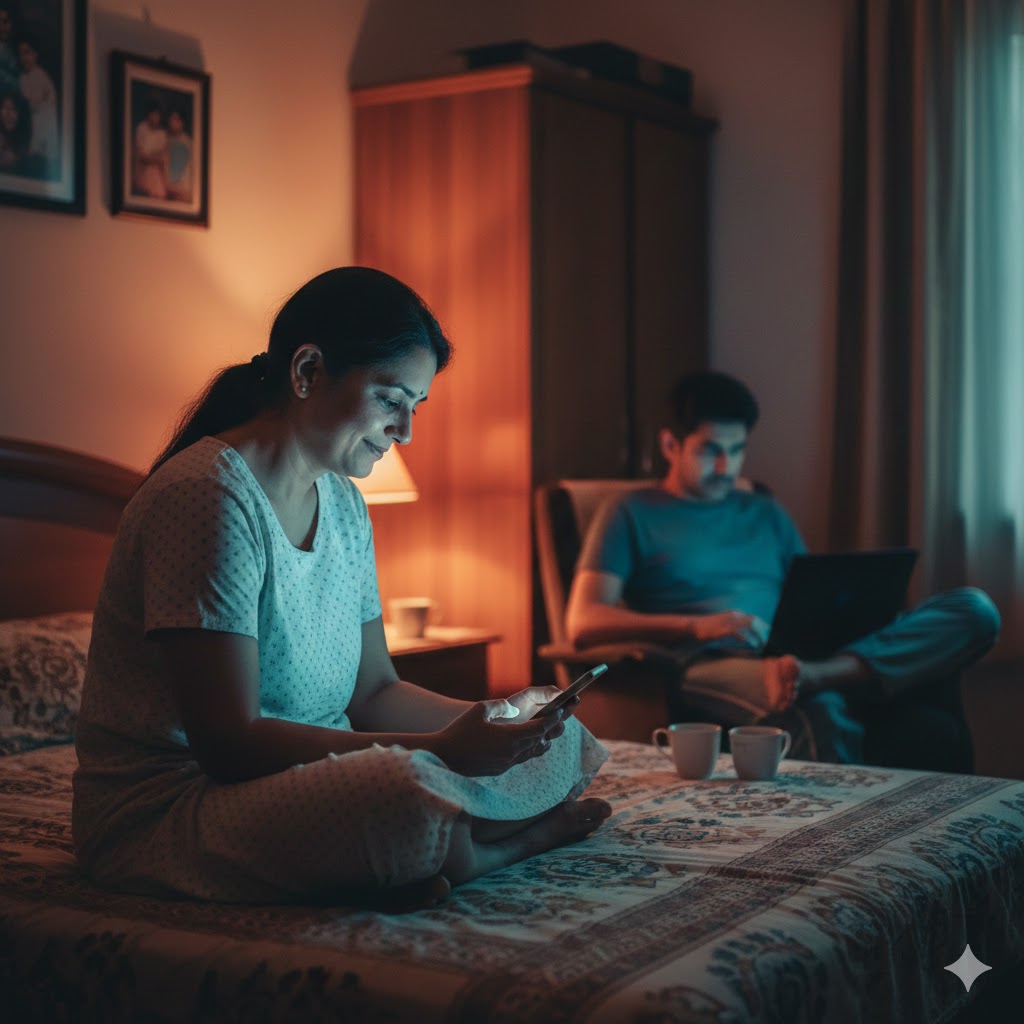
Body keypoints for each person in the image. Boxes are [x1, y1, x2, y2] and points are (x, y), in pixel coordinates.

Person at [72, 267, 610, 910]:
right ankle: (495, 848)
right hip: (179, 804)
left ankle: (444, 849)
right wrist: (441, 751)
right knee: (404, 790)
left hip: (308, 782)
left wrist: (498, 722)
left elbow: (375, 692)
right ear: (307, 372)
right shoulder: (207, 496)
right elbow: (228, 744)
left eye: (416, 406)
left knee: (557, 745)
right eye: (391, 400)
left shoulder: (345, 505)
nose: (405, 431)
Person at [565, 370, 1000, 771]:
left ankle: (822, 673)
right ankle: (819, 686)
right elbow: (584, 621)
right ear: (669, 445)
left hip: (796, 651)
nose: (726, 467)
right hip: (711, 660)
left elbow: (811, 593)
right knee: (815, 707)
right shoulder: (630, 512)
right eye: (710, 451)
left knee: (974, 610)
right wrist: (697, 626)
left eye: (737, 451)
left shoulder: (764, 511)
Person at [16, 34, 57, 179]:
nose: (23, 57)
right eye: (21, 54)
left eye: (27, 52)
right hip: (28, 136)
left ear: (35, 54)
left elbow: (45, 107)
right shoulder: (21, 79)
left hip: (43, 139)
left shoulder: (43, 77)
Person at [132, 94, 168, 198]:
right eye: (152, 114)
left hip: (157, 176)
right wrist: (150, 157)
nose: (154, 118)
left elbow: (162, 158)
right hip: (143, 173)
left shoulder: (162, 134)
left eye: (157, 115)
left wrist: (152, 157)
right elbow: (142, 155)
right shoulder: (141, 128)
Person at [165, 108, 193, 202]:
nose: (172, 123)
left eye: (176, 120)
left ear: (182, 123)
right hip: (167, 188)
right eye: (171, 119)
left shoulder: (188, 143)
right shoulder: (166, 140)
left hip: (183, 189)